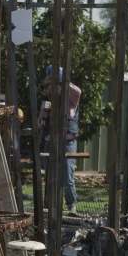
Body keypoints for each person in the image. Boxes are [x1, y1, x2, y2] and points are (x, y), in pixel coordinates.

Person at [35, 66, 81, 214]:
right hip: (50, 142)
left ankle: (71, 206)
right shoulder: (48, 102)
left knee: (66, 175)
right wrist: (43, 114)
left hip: (67, 142)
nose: (50, 85)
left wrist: (61, 82)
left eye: (52, 80)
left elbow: (77, 91)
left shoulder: (70, 98)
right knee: (49, 175)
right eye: (49, 81)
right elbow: (39, 123)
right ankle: (50, 206)